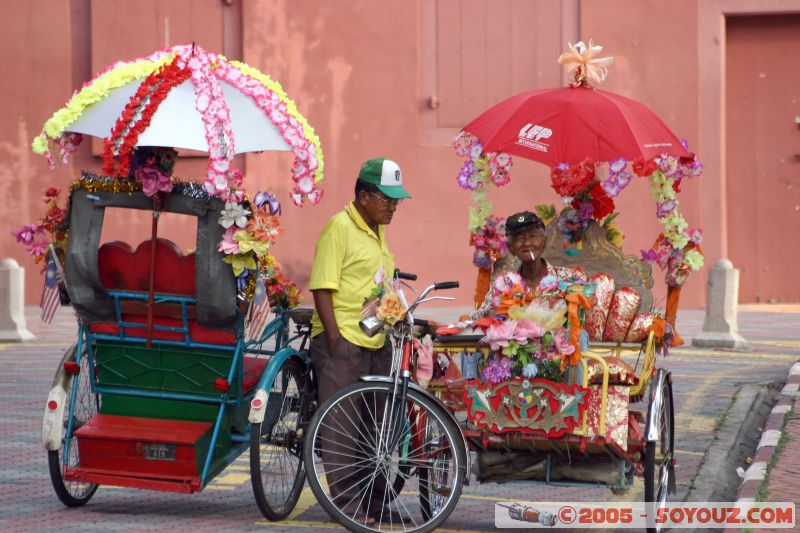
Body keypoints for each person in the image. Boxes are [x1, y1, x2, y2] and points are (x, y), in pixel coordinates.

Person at [308, 157, 411, 522]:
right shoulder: (339, 227)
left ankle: (374, 501)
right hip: (344, 341)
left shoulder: (376, 230)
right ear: (364, 196)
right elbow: (322, 286)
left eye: (396, 200)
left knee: (374, 428)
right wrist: (335, 340)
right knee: (342, 427)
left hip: (374, 338)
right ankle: (348, 505)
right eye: (387, 199)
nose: (393, 206)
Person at [469, 210, 585, 320]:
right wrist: (492, 313)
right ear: (510, 247)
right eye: (520, 239)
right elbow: (477, 316)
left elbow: (583, 317)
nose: (527, 243)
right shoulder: (504, 284)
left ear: (544, 242)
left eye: (533, 237)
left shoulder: (568, 279)